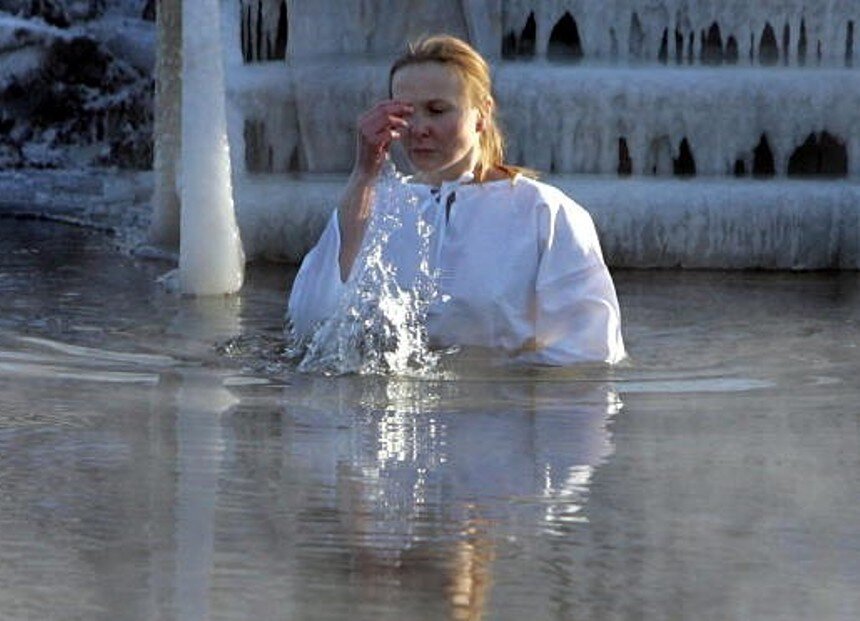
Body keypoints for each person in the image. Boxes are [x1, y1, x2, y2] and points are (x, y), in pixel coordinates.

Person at [287, 35, 625, 366]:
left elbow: (590, 353)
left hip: (500, 415)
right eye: (405, 113)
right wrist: (364, 173)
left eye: (437, 110)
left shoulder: (544, 212)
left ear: (482, 113)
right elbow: (310, 328)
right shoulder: (377, 205)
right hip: (394, 418)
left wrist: (492, 393)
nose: (419, 128)